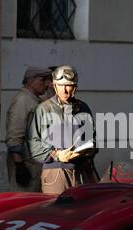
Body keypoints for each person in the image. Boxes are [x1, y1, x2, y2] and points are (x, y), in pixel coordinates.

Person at [28, 65, 97, 194]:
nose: (64, 90)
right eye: (60, 85)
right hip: (55, 174)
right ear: (54, 86)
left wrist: (88, 150)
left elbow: (92, 138)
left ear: (75, 87)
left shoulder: (83, 108)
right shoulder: (44, 109)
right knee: (55, 212)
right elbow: (33, 145)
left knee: (80, 212)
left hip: (80, 172)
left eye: (68, 85)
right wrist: (57, 155)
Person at [5, 66, 52, 192]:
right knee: (23, 203)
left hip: (35, 163)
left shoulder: (35, 99)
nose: (46, 84)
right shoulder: (23, 101)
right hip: (25, 163)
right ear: (31, 81)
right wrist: (19, 164)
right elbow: (15, 133)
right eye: (43, 80)